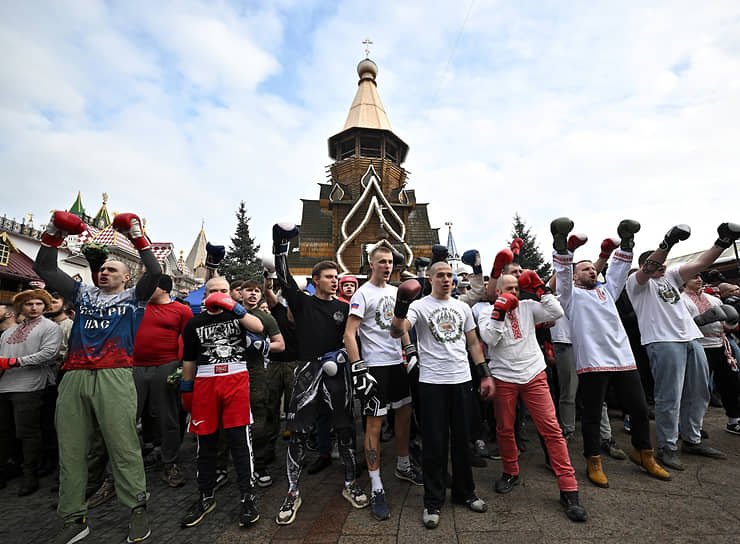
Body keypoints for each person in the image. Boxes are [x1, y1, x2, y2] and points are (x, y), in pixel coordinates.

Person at [34, 211, 161, 544]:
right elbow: (45, 269)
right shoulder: (82, 294)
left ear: (127, 278)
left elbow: (156, 271)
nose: (104, 272)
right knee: (72, 449)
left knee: (123, 446)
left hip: (114, 374)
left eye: (112, 269)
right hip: (75, 374)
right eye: (102, 269)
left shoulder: (136, 297)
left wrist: (136, 234)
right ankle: (74, 518)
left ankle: (137, 511)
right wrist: (53, 232)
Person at [551, 218, 670, 488]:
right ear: (575, 274)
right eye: (584, 269)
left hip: (623, 360)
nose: (591, 272)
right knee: (592, 415)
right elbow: (563, 278)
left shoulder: (607, 290)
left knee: (640, 410)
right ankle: (593, 459)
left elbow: (617, 271)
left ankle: (644, 453)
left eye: (593, 268)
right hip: (593, 363)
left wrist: (626, 244)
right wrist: (563, 248)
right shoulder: (569, 296)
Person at [272, 223, 367, 525]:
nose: (335, 280)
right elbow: (284, 278)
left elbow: (354, 340)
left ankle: (351, 484)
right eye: (329, 276)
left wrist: (342, 355)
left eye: (336, 277)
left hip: (337, 372)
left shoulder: (344, 306)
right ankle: (292, 492)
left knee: (345, 430)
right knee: (299, 432)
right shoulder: (302, 302)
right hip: (307, 372)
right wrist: (280, 248)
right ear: (315, 281)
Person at [625, 222, 740, 470]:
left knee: (700, 393)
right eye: (659, 262)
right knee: (670, 397)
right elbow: (649, 267)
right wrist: (667, 243)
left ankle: (692, 439)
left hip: (691, 338)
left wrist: (722, 243)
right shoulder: (637, 282)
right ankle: (668, 446)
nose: (664, 266)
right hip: (662, 342)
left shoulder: (670, 277)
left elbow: (700, 264)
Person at [390, 261, 494, 529]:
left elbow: (473, 342)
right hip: (432, 382)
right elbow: (396, 331)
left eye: (450, 275)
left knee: (463, 441)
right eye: (441, 275)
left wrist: (484, 373)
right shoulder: (419, 306)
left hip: (462, 380)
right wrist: (401, 305)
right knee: (435, 444)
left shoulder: (462, 307)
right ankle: (433, 501)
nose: (447, 279)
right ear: (430, 278)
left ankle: (464, 492)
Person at [477, 270, 587, 522]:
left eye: (517, 288)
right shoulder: (486, 311)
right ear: (497, 291)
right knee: (504, 429)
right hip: (503, 375)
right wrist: (500, 311)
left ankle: (569, 488)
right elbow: (490, 339)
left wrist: (540, 288)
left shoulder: (528, 306)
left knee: (551, 429)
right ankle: (510, 471)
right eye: (508, 289)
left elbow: (556, 313)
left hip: (533, 373)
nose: (514, 292)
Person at [179, 277, 266, 529]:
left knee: (240, 440)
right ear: (205, 294)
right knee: (205, 442)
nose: (218, 294)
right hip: (205, 382)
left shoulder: (239, 317)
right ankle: (205, 496)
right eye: (213, 291)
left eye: (224, 291)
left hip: (235, 380)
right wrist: (187, 388)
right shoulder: (195, 322)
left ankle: (248, 496)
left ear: (232, 293)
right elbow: (188, 359)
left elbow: (259, 327)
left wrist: (234, 307)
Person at [344, 245, 422, 521]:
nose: (387, 266)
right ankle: (376, 485)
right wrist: (358, 367)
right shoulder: (363, 293)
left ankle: (403, 465)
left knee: (405, 414)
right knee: (374, 423)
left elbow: (399, 325)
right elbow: (349, 334)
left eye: (390, 262)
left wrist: (410, 350)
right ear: (371, 263)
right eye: (382, 262)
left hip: (396, 364)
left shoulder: (396, 291)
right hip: (374, 366)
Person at [133, 274, 193, 488]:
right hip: (134, 366)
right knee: (128, 416)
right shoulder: (137, 306)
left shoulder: (181, 310)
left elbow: (188, 340)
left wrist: (182, 369)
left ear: (163, 289)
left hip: (166, 366)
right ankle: (124, 465)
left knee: (168, 416)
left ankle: (170, 462)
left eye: (150, 285)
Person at [0, 289, 62, 494]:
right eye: (29, 304)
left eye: (38, 303)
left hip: (31, 386)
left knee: (28, 432)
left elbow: (49, 353)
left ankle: (30, 474)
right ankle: (8, 468)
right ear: (20, 307)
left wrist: (15, 362)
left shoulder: (50, 327)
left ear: (44, 306)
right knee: (5, 432)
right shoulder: (8, 333)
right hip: (5, 386)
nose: (34, 307)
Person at [239, 279, 285, 488]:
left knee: (259, 419)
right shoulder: (231, 314)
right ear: (240, 293)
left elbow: (280, 345)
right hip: (230, 373)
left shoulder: (266, 318)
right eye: (249, 290)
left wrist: (262, 344)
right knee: (231, 421)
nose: (253, 294)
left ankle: (260, 465)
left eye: (257, 291)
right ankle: (231, 465)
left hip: (257, 374)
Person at [681, 273, 740, 435]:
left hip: (721, 345)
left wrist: (732, 321)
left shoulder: (715, 299)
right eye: (693, 277)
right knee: (698, 389)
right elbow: (680, 326)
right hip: (699, 347)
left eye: (699, 276)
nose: (698, 279)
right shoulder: (681, 300)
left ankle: (734, 420)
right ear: (684, 281)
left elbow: (727, 325)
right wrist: (699, 321)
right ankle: (693, 426)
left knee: (731, 383)